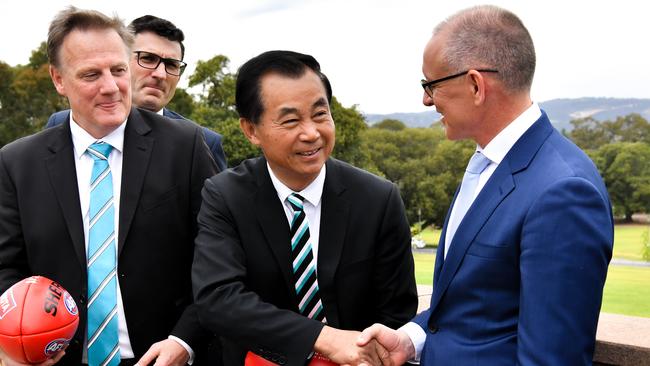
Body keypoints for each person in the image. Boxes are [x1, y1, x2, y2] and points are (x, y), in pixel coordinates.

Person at [358, 5, 614, 365]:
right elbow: (471, 306)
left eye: (430, 85)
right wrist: (411, 339)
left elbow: (552, 359)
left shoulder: (563, 192)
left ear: (476, 85)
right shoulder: (488, 164)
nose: (426, 100)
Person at [0, 7, 218, 366]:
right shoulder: (17, 163)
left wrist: (185, 339)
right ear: (58, 79)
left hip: (163, 358)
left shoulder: (186, 147)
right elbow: (7, 268)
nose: (110, 86)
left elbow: (218, 257)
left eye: (118, 70)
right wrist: (20, 336)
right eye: (90, 74)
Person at [191, 50, 418, 366]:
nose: (311, 133)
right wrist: (323, 339)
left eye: (320, 114)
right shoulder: (226, 195)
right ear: (251, 130)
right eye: (291, 120)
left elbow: (396, 313)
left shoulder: (378, 199)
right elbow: (219, 299)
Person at [45, 15, 228, 171]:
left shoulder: (201, 142)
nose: (161, 74)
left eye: (172, 65)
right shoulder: (62, 124)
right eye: (148, 59)